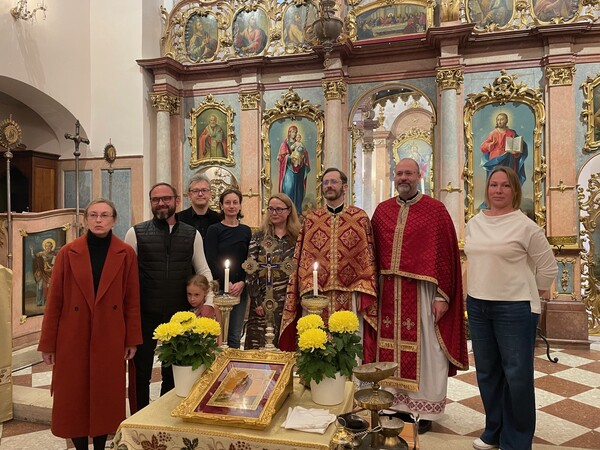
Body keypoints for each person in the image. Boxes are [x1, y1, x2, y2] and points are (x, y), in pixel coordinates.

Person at [370, 158, 468, 434]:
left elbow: (446, 258)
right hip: (388, 291)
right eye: (399, 173)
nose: (403, 178)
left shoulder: (435, 210)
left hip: (423, 293)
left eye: (409, 173)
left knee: (428, 349)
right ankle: (391, 404)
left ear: (419, 175)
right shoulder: (382, 211)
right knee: (386, 346)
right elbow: (371, 253)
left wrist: (442, 296)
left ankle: (424, 409)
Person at [464, 166, 557, 450]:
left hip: (515, 309)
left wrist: (527, 289)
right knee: (487, 373)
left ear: (515, 190)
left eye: (505, 186)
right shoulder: (474, 223)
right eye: (494, 185)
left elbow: (548, 269)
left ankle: (516, 439)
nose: (499, 191)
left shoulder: (527, 226)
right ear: (487, 190)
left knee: (516, 375)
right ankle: (494, 429)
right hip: (479, 305)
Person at [38, 199, 141, 450]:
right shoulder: (68, 252)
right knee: (74, 395)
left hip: (110, 334)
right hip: (73, 335)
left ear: (114, 220)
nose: (98, 220)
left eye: (104, 215)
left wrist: (131, 339)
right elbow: (55, 301)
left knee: (106, 393)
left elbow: (131, 299)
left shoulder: (125, 253)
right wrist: (48, 343)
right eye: (93, 215)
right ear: (85, 220)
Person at [124, 182, 214, 410]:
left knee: (175, 371)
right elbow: (125, 276)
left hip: (180, 314)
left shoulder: (191, 234)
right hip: (145, 313)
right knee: (140, 372)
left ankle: (167, 414)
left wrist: (209, 302)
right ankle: (139, 417)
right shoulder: (136, 232)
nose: (161, 203)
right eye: (156, 199)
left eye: (166, 198)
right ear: (151, 203)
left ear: (177, 201)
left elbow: (203, 270)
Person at [279, 168, 378, 359]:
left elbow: (368, 257)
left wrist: (363, 285)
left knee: (348, 345)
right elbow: (301, 258)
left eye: (334, 182)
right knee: (316, 344)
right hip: (316, 295)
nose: (329, 186)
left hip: (351, 294)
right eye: (325, 183)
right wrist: (306, 286)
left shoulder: (360, 218)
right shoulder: (312, 220)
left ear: (345, 186)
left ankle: (350, 386)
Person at [244, 193, 301, 349]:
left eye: (279, 209)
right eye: (271, 209)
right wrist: (256, 301)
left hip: (288, 303)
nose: (274, 213)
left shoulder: (296, 237)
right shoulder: (259, 237)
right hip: (263, 302)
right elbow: (250, 269)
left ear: (289, 211)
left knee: (285, 348)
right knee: (259, 348)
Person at [205, 188, 252, 348]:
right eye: (227, 202)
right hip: (220, 288)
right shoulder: (214, 229)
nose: (231, 206)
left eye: (235, 202)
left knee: (234, 334)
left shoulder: (245, 231)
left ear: (240, 206)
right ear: (221, 205)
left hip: (239, 288)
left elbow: (249, 260)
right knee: (219, 332)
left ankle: (233, 371)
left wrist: (242, 283)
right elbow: (211, 259)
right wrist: (226, 283)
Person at [480, 112, 527, 186]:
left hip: (508, 159)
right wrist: (491, 144)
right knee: (496, 178)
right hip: (495, 160)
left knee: (508, 179)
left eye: (502, 119)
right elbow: (483, 147)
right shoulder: (493, 133)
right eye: (498, 120)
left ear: (506, 120)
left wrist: (516, 152)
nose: (499, 121)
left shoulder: (511, 133)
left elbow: (518, 146)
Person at [278, 125, 310, 214]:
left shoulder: (300, 144)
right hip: (288, 170)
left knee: (299, 190)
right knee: (289, 188)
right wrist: (289, 157)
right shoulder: (284, 144)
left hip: (299, 170)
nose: (294, 134)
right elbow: (281, 157)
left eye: (295, 132)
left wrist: (302, 156)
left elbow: (305, 154)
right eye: (292, 132)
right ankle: (287, 211)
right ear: (289, 133)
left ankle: (298, 212)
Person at [177, 174, 220, 238]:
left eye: (204, 190)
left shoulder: (219, 219)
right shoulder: (178, 219)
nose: (200, 194)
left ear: (210, 194)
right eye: (195, 191)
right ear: (189, 195)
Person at [30, 238, 57, 306]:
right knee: (40, 287)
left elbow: (55, 264)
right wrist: (32, 251)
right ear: (44, 246)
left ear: (51, 247)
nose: (48, 247)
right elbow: (34, 259)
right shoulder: (41, 254)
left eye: (49, 246)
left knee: (50, 287)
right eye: (47, 246)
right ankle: (39, 302)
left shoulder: (54, 255)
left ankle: (49, 302)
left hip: (50, 272)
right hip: (41, 273)